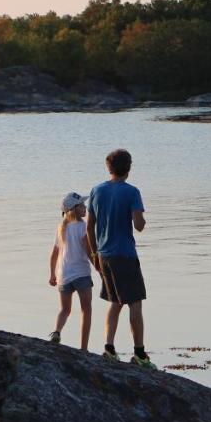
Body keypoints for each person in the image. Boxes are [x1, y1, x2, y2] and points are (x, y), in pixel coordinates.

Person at [87, 148, 154, 368]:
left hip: (103, 255)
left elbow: (90, 226)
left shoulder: (96, 191)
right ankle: (140, 354)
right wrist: (142, 220)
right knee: (135, 302)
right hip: (125, 254)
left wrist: (94, 253)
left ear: (109, 167)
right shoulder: (132, 192)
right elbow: (139, 225)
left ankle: (109, 348)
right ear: (129, 168)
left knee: (115, 302)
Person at [48, 192, 94, 350]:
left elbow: (54, 254)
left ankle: (56, 332)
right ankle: (83, 348)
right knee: (86, 310)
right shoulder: (83, 227)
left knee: (64, 310)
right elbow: (88, 250)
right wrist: (99, 268)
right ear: (73, 209)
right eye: (82, 205)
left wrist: (52, 274)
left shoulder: (61, 228)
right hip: (81, 273)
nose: (85, 207)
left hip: (64, 275)